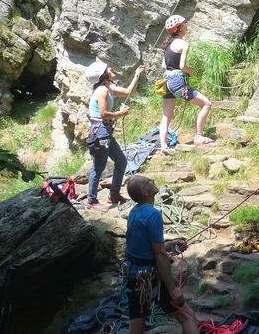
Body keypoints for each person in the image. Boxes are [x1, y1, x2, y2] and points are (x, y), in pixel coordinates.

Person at [124, 174, 200, 334]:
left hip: (133, 275)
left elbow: (143, 247)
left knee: (136, 323)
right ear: (145, 193)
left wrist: (169, 245)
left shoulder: (134, 212)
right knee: (188, 317)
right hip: (149, 277)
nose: (152, 181)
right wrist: (172, 289)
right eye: (148, 182)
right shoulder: (153, 214)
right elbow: (159, 254)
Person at [83, 60, 143, 210]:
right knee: (99, 166)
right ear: (103, 75)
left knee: (121, 161)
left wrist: (136, 76)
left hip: (104, 130)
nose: (111, 69)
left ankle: (114, 194)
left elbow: (129, 92)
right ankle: (92, 201)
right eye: (107, 69)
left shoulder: (108, 88)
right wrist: (119, 113)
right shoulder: (102, 91)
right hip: (101, 130)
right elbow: (103, 114)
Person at [158, 15, 215, 155]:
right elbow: (183, 66)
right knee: (206, 104)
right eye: (185, 23)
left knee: (167, 116)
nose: (186, 24)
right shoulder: (183, 44)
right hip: (177, 81)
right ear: (179, 27)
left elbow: (163, 67)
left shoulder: (168, 46)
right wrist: (191, 72)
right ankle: (199, 136)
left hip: (166, 82)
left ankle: (163, 147)